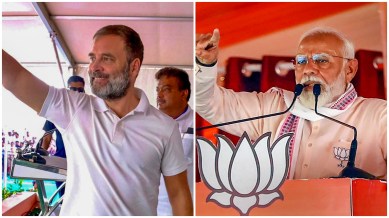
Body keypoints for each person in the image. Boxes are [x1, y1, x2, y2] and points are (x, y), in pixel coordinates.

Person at [2, 25, 192, 215]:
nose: (93, 67)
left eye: (106, 58)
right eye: (93, 58)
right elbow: (16, 78)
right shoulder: (73, 108)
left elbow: (178, 194)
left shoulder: (165, 128)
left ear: (134, 67)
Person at [195, 27, 386, 180]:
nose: (309, 69)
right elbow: (210, 104)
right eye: (301, 61)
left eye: (321, 60)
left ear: (350, 69)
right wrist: (204, 65)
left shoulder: (379, 116)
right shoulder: (274, 107)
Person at [155, 67, 194, 215]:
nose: (159, 95)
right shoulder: (148, 123)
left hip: (184, 208)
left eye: (165, 89)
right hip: (151, 208)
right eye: (157, 89)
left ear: (184, 93)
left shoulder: (198, 124)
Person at [41, 75, 85, 197]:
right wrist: (40, 160)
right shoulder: (56, 108)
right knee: (63, 197)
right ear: (67, 89)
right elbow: (47, 137)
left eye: (80, 90)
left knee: (82, 197)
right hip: (62, 161)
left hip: (83, 161)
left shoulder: (89, 109)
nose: (76, 93)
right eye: (73, 89)